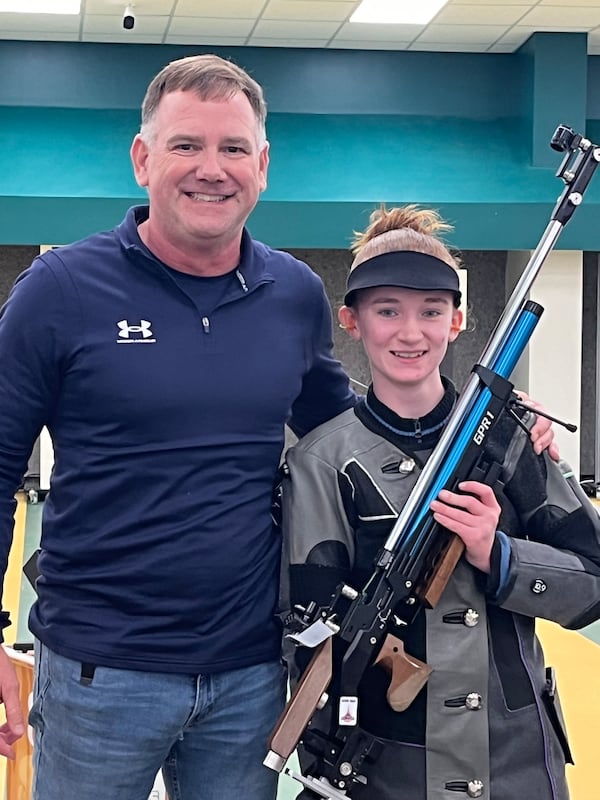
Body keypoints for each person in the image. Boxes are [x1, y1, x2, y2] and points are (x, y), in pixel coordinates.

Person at [0, 54, 357, 800]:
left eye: (233, 149)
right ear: (142, 159)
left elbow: (348, 436)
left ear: (262, 166)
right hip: (99, 677)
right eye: (185, 145)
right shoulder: (60, 289)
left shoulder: (293, 293)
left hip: (251, 677)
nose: (211, 169)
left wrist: (489, 429)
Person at [280, 205, 600, 800]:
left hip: (513, 759)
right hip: (386, 766)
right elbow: (306, 629)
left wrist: (499, 554)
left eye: (431, 312)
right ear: (352, 322)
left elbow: (592, 581)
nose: (410, 333)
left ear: (457, 322)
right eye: (387, 311)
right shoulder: (323, 462)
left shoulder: (511, 435)